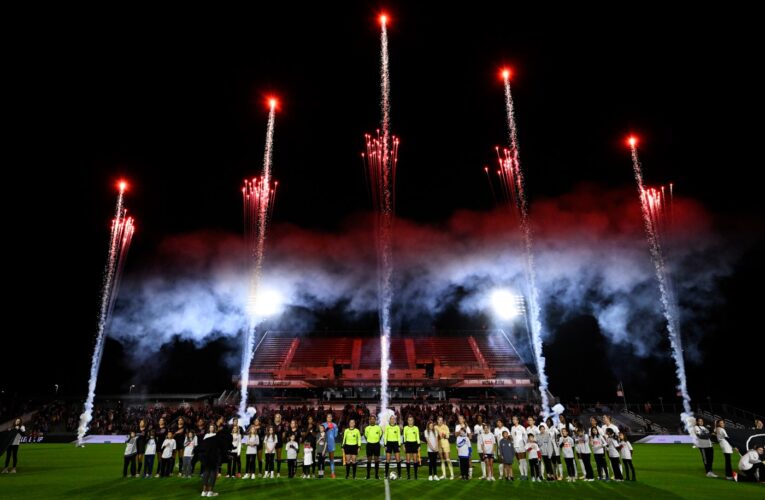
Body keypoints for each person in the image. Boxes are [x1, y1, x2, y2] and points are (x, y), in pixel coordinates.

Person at [197, 432, 233, 497]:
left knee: (206, 471)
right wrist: (228, 457)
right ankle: (210, 492)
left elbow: (200, 447)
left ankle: (204, 491)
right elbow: (223, 451)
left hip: (204, 456)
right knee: (213, 473)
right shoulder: (221, 441)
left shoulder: (209, 439)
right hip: (213, 457)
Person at [364, 414, 382, 479]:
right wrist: (370, 441)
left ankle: (376, 475)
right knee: (369, 460)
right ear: (369, 420)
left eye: (373, 419)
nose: (372, 420)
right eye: (371, 419)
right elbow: (365, 436)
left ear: (375, 420)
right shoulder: (367, 428)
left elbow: (380, 435)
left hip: (376, 445)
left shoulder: (378, 428)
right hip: (369, 445)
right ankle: (368, 475)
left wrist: (376, 441)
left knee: (376, 460)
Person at [384, 414, 402, 479]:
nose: (392, 420)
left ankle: (400, 475)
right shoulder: (387, 427)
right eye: (391, 419)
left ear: (395, 420)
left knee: (398, 459)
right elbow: (385, 436)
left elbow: (399, 437)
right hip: (389, 444)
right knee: (387, 460)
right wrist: (385, 445)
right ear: (390, 420)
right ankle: (386, 475)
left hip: (396, 444)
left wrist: (399, 445)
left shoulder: (397, 427)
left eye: (393, 419)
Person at [510, 415, 528, 480]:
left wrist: (526, 445)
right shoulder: (512, 428)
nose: (513, 420)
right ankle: (522, 474)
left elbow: (525, 436)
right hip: (515, 446)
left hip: (521, 445)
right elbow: (512, 437)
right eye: (513, 419)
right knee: (519, 461)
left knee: (523, 460)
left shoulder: (521, 427)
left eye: (514, 419)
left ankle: (525, 475)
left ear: (518, 420)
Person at [322, 413, 338, 478]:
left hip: (331, 443)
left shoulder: (334, 425)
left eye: (330, 417)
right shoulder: (323, 424)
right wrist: (327, 428)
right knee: (322, 458)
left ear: (332, 418)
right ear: (326, 418)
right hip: (324, 443)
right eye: (328, 417)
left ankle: (332, 473)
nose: (329, 418)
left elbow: (335, 435)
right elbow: (321, 433)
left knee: (331, 459)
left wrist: (334, 428)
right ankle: (321, 472)